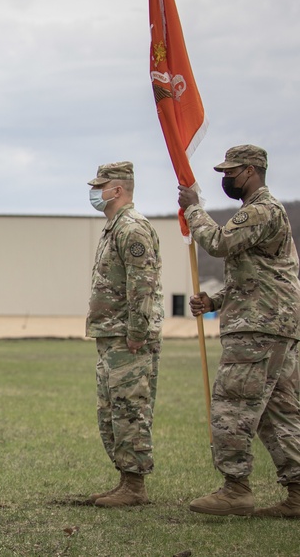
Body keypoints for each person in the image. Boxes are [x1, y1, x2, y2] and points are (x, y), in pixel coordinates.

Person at [178, 144, 300, 517]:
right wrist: (214, 302)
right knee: (278, 413)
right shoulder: (260, 212)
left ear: (250, 170)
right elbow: (257, 276)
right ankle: (297, 493)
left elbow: (219, 242)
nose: (225, 179)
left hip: (258, 330)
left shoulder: (262, 209)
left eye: (230, 172)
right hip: (271, 324)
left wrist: (193, 207)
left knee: (232, 406)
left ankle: (235, 490)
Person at [84, 161, 164, 508]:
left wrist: (136, 331)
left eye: (100, 186)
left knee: (130, 409)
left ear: (117, 190)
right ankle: (124, 480)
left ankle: (135, 486)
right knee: (112, 411)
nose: (95, 193)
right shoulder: (112, 228)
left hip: (128, 338)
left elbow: (142, 285)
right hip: (111, 335)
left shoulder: (132, 228)